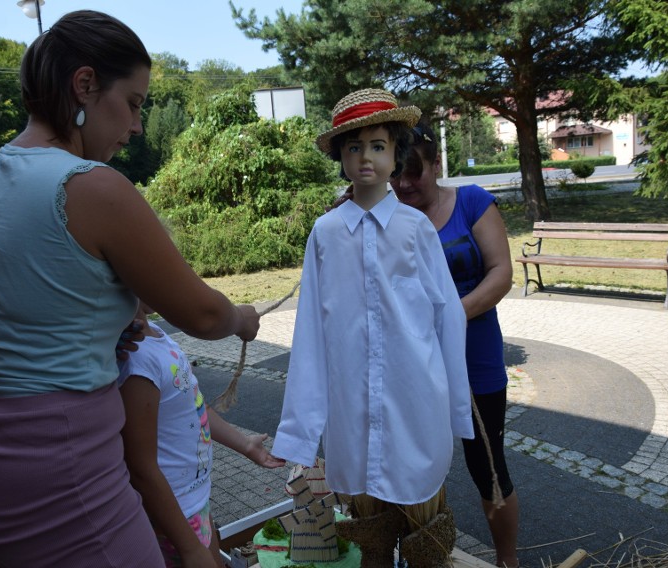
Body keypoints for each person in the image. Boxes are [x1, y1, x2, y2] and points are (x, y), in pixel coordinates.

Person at [0, 10, 259, 567]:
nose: (137, 125)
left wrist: (98, 319)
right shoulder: (92, 186)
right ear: (85, 85)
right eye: (134, 103)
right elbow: (203, 317)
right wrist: (243, 317)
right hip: (60, 470)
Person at [271, 89, 474, 568]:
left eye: (378, 145)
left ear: (396, 153)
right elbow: (309, 335)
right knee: (368, 540)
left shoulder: (415, 229)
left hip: (416, 400)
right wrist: (301, 433)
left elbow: (448, 315)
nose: (366, 157)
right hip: (353, 410)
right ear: (341, 156)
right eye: (354, 147)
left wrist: (457, 409)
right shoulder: (325, 234)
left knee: (426, 536)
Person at [391, 120, 519, 568]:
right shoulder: (387, 215)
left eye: (414, 172)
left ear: (436, 163)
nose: (404, 184)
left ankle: (507, 560)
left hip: (475, 358)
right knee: (413, 461)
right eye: (395, 174)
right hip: (414, 365)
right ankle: (421, 553)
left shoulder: (471, 202)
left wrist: (449, 317)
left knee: (487, 466)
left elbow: (501, 272)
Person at [117, 301, 285, 568]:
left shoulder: (159, 336)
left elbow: (194, 404)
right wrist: (190, 549)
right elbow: (140, 468)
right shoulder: (136, 361)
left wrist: (245, 444)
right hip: (172, 519)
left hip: (195, 503)